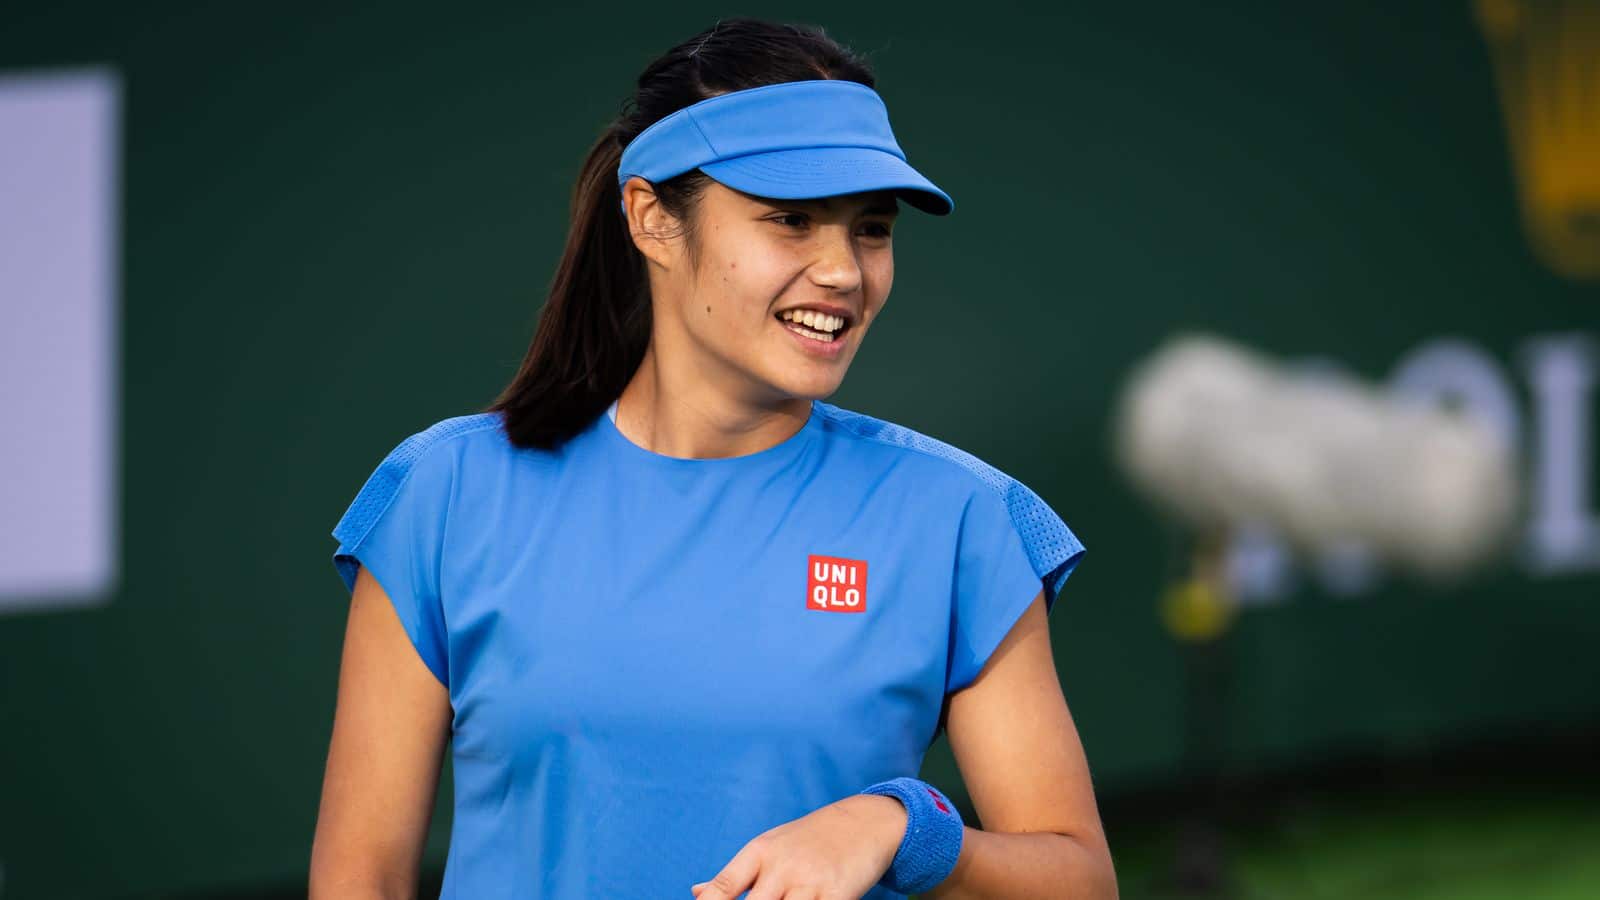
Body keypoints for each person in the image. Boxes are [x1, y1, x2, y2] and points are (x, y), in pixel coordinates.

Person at [309, 17, 1115, 900]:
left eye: (871, 229)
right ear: (652, 219)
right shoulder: (445, 494)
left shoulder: (962, 520)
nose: (844, 271)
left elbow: (1079, 881)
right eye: (792, 219)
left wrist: (899, 826)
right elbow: (360, 878)